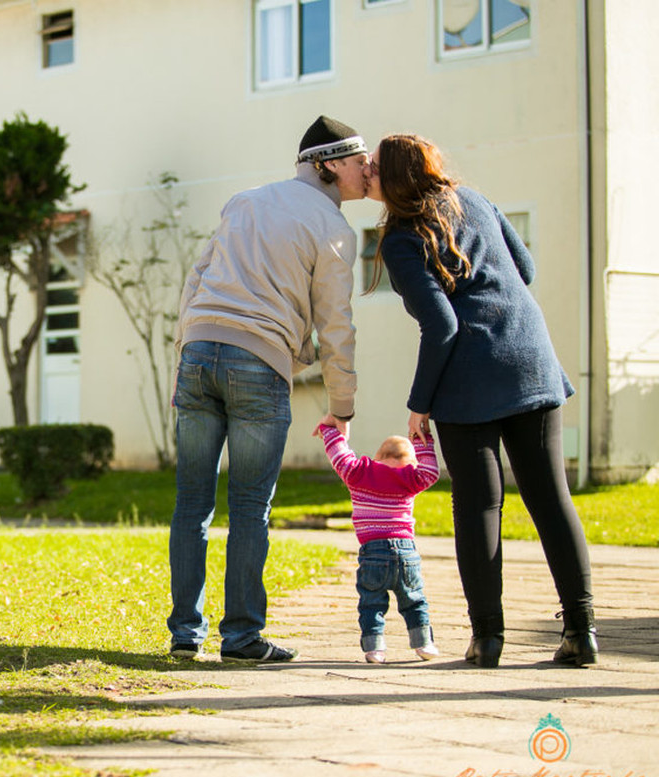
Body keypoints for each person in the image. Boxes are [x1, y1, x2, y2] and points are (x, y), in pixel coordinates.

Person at [367, 133, 596, 668]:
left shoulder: (402, 238)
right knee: (550, 499)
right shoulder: (473, 200)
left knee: (478, 506)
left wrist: (419, 404)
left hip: (468, 379)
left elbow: (441, 324)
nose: (368, 171)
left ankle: (488, 640)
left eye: (376, 165)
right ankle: (582, 633)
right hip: (530, 358)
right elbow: (527, 271)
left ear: (396, 176)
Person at [167, 116, 366, 663]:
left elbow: (196, 277)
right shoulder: (334, 230)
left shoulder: (245, 201)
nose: (367, 170)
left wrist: (189, 347)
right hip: (258, 363)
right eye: (358, 161)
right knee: (250, 507)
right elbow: (336, 325)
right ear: (327, 165)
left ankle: (186, 635)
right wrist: (341, 405)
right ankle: (240, 638)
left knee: (192, 504)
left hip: (199, 352)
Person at [315, 423, 440, 664]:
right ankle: (424, 643)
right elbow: (432, 473)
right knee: (414, 600)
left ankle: (375, 649)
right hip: (406, 553)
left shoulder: (359, 473)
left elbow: (339, 456)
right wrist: (422, 440)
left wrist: (329, 430)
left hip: (373, 553)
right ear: (410, 463)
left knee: (371, 603)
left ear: (377, 457)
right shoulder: (411, 478)